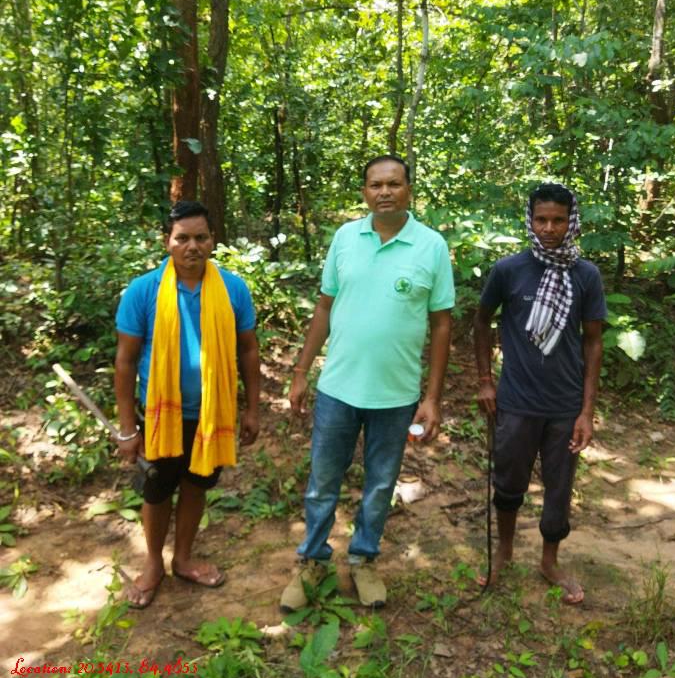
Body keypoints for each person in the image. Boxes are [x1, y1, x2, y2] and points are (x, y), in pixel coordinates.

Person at [281, 155, 455, 610]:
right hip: (338, 389)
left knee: (380, 485)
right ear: (364, 192)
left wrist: (432, 398)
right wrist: (301, 372)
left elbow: (441, 324)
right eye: (376, 185)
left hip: (396, 395)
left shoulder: (431, 246)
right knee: (323, 481)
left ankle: (363, 559)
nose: (385, 192)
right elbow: (324, 306)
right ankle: (312, 561)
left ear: (409, 189)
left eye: (394, 184)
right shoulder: (345, 238)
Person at [114, 200, 260, 608]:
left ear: (213, 240)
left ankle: (183, 559)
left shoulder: (232, 289)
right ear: (168, 241)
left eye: (201, 237)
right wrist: (127, 428)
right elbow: (125, 361)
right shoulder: (144, 291)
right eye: (183, 238)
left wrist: (252, 409)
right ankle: (153, 564)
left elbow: (248, 350)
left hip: (212, 414)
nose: (192, 246)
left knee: (197, 484)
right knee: (158, 490)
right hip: (160, 415)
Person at [474, 182, 605, 604]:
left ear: (572, 222)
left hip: (565, 405)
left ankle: (550, 562)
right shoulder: (509, 270)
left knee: (559, 486)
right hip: (516, 401)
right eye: (541, 219)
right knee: (509, 479)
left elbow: (593, 342)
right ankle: (504, 552)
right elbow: (481, 322)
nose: (549, 229)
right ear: (530, 221)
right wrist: (485, 380)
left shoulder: (585, 275)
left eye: (558, 220)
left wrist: (586, 412)